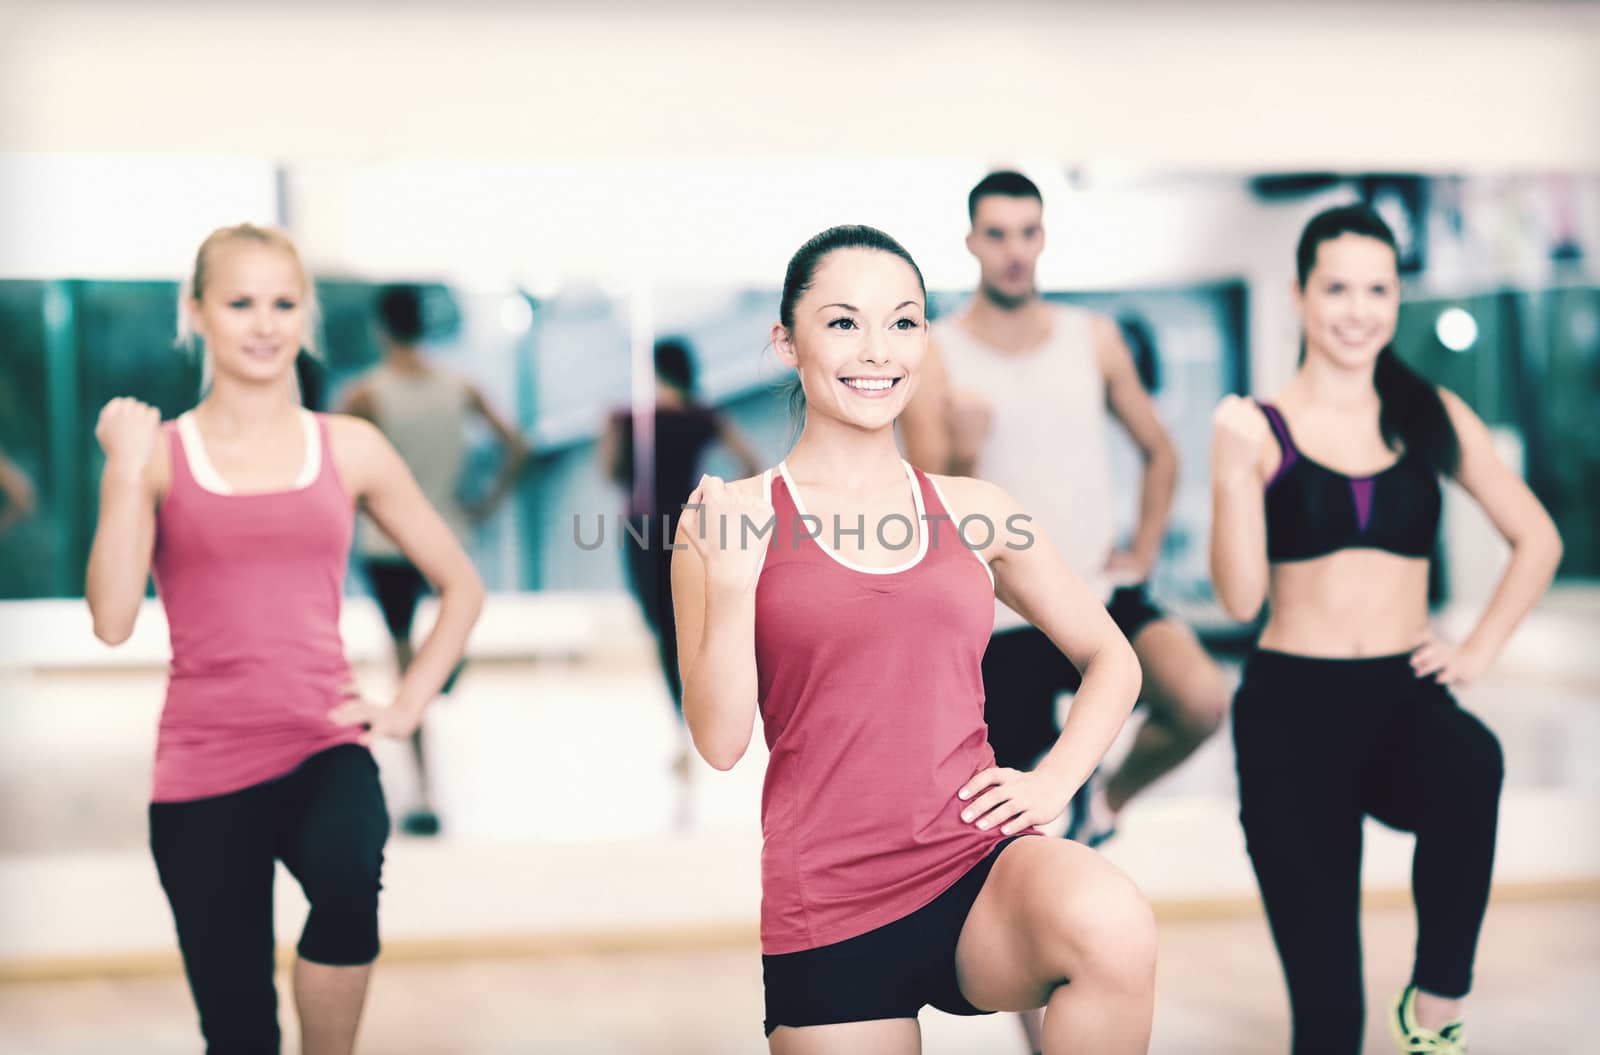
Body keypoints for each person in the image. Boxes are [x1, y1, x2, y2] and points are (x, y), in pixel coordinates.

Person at [672, 224, 1155, 1054]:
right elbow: (719, 742)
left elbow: (1112, 656)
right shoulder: (729, 518)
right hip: (829, 905)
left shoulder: (978, 509)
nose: (878, 350)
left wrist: (1054, 783)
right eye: (842, 321)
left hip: (976, 870)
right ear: (786, 340)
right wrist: (731, 580)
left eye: (903, 322)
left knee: (1112, 921)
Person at [86, 224, 484, 1055]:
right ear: (196, 313)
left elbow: (460, 584)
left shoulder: (350, 446)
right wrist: (123, 471)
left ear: (304, 316)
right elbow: (114, 618)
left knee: (347, 886)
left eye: (282, 303)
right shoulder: (158, 456)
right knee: (238, 1035)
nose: (264, 324)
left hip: (323, 745)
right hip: (200, 773)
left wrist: (408, 705)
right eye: (240, 303)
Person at [1210, 203, 1563, 1055]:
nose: (1358, 309)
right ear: (1299, 294)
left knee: (1472, 761)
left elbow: (1538, 538)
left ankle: (1434, 1012)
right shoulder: (1257, 427)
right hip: (1293, 710)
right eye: (1337, 287)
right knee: (1328, 1024)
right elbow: (1236, 597)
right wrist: (1229, 469)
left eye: (1378, 288)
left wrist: (1477, 649)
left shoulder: (1426, 412)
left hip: (1402, 698)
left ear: (1398, 296)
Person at [901, 170, 1230, 852]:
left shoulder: (1094, 337)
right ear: (972, 242)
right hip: (1001, 618)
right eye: (997, 235)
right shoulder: (938, 357)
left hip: (1097, 593)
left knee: (1200, 699)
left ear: (1044, 236)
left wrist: (1139, 551)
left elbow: (1160, 452)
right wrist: (963, 452)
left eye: (1027, 232)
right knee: (1013, 826)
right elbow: (930, 510)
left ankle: (1106, 799)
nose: (1014, 250)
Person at [339, 283, 527, 836]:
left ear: (380, 328)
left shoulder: (366, 395)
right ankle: (445, 661)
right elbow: (515, 445)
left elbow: (333, 465)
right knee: (451, 622)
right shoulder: (459, 388)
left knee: (406, 665)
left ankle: (425, 791)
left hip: (387, 546)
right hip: (447, 534)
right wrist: (487, 502)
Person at [598, 337, 760, 779]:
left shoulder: (627, 418)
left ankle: (681, 726)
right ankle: (696, 722)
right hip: (690, 527)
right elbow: (750, 460)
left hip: (643, 530)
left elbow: (610, 472)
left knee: (662, 631)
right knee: (687, 626)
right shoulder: (702, 417)